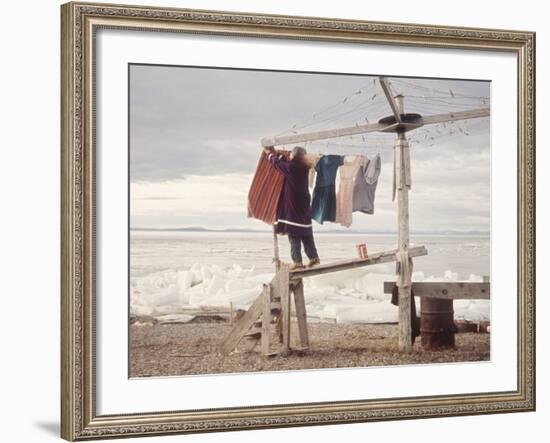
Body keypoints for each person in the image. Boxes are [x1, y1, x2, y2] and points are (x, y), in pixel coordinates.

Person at [263, 145, 320, 270]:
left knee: (294, 233)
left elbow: (277, 165)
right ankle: (314, 258)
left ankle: (297, 262)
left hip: (294, 205)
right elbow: (284, 164)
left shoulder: (292, 167)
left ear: (294, 156)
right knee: (306, 233)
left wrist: (270, 154)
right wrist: (281, 156)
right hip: (304, 204)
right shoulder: (303, 167)